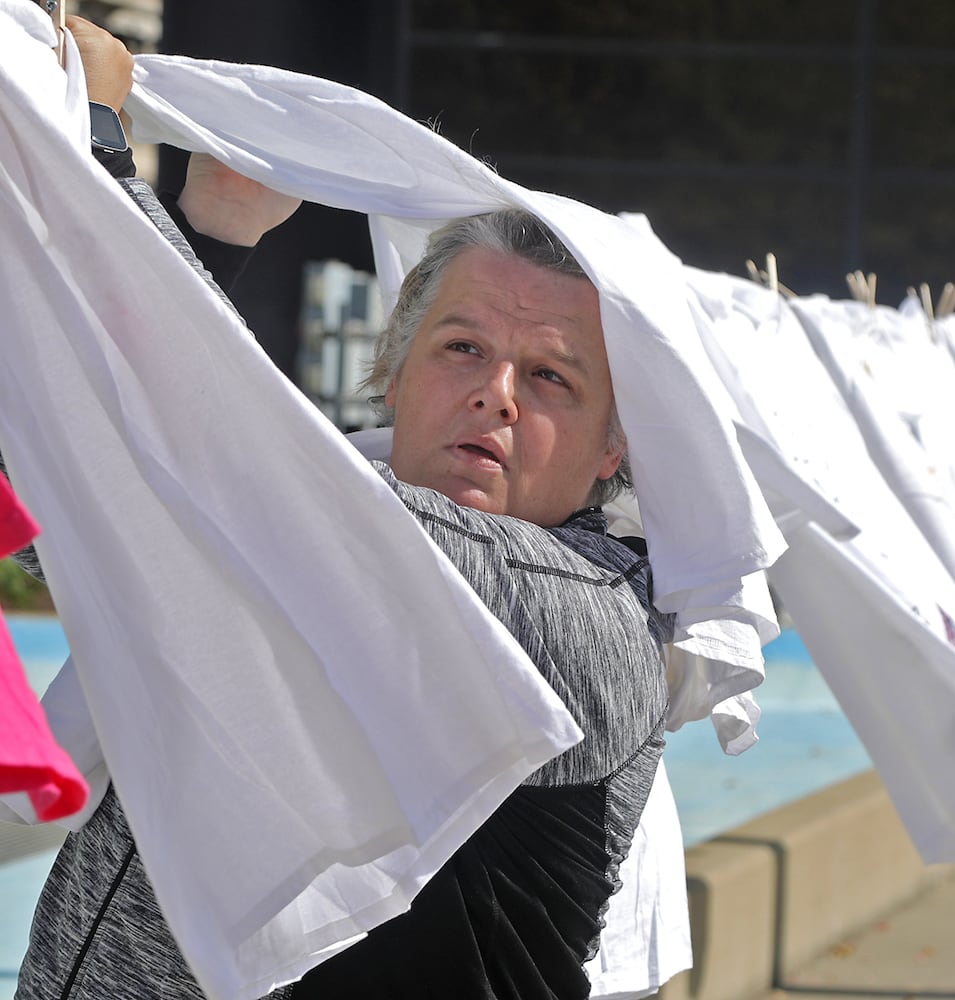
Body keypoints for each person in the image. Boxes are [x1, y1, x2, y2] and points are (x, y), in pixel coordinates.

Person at [13, 18, 672, 1000]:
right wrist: (214, 232)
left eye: (550, 377)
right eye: (460, 349)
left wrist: (102, 156)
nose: (497, 392)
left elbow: (273, 500)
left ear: (616, 447)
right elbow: (77, 512)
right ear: (391, 371)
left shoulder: (600, 621)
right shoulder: (291, 512)